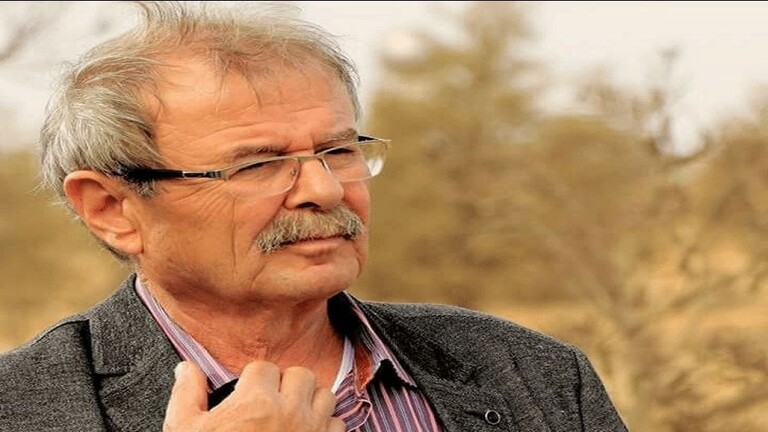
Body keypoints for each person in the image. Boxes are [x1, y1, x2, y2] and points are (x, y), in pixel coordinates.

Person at [0, 2, 628, 431]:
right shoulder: (24, 406)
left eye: (338, 151)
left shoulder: (532, 375)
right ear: (112, 209)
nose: (324, 190)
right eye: (258, 164)